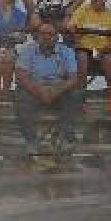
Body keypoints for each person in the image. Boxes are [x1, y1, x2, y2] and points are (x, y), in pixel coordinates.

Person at [15, 21, 82, 154]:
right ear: (37, 36)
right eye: (42, 34)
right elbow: (21, 75)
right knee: (21, 97)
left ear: (57, 37)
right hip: (35, 89)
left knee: (74, 95)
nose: (46, 37)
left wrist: (56, 90)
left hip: (58, 89)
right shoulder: (28, 50)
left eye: (50, 34)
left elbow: (74, 78)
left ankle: (64, 140)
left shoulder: (66, 51)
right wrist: (39, 91)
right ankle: (31, 141)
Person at [66, 0, 111, 112]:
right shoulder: (83, 9)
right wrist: (73, 29)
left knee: (110, 60)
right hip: (84, 48)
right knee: (81, 58)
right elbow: (71, 25)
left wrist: (105, 49)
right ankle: (80, 99)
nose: (92, 0)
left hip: (104, 50)